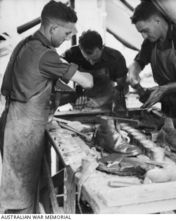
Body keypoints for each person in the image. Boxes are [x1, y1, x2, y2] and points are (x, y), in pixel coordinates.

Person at [0, 1, 93, 213]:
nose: (70, 38)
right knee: (19, 199)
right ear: (52, 28)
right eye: (68, 33)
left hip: (16, 123)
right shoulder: (45, 54)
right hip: (22, 131)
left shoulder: (27, 44)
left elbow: (35, 83)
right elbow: (87, 82)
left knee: (32, 188)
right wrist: (88, 74)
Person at [127, 1, 176, 123]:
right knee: (166, 136)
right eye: (141, 32)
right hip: (166, 103)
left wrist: (164, 89)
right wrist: (133, 71)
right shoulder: (150, 43)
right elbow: (139, 61)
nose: (144, 36)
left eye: (145, 30)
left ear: (157, 20)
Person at [62, 30, 128, 113]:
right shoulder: (72, 53)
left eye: (95, 59)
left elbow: (123, 87)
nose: (91, 63)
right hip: (83, 103)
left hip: (108, 101)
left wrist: (101, 101)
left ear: (102, 47)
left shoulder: (115, 58)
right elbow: (56, 65)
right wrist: (75, 96)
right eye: (87, 58)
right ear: (80, 48)